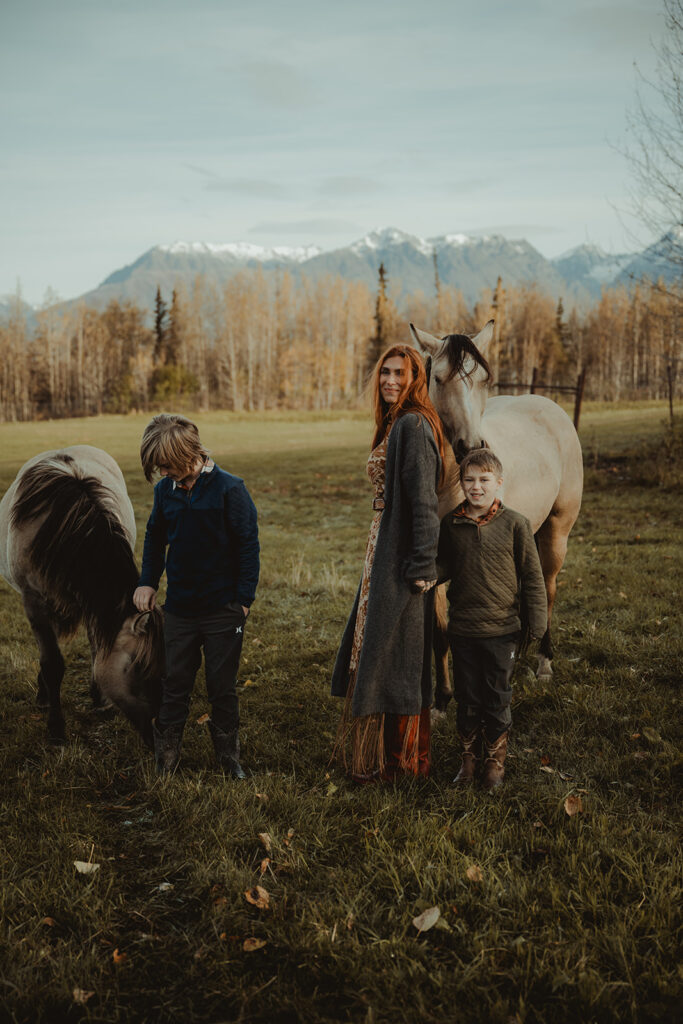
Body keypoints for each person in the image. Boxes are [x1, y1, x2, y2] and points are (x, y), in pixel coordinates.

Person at [331, 345, 446, 782]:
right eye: (385, 373)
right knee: (389, 649)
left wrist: (421, 566)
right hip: (384, 544)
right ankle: (392, 759)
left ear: (416, 378)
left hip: (403, 555)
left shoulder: (414, 425)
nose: (390, 381)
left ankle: (407, 765)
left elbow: (423, 501)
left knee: (400, 653)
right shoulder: (397, 422)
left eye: (401, 373)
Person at [133, 413, 259, 777]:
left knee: (221, 686)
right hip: (180, 612)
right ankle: (167, 758)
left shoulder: (230, 490)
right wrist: (147, 581)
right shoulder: (164, 493)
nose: (163, 472)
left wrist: (243, 602)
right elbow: (155, 540)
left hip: (223, 610)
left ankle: (228, 756)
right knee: (174, 683)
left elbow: (248, 547)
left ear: (190, 454)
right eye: (159, 468)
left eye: (167, 465)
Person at [436, 448, 547, 791]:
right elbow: (446, 565)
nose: (476, 487)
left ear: (499, 483)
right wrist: (428, 576)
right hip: (464, 628)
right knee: (468, 696)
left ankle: (495, 762)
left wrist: (538, 623)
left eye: (484, 480)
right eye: (469, 480)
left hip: (502, 630)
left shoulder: (516, 524)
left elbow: (532, 576)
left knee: (496, 696)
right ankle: (468, 761)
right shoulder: (452, 524)